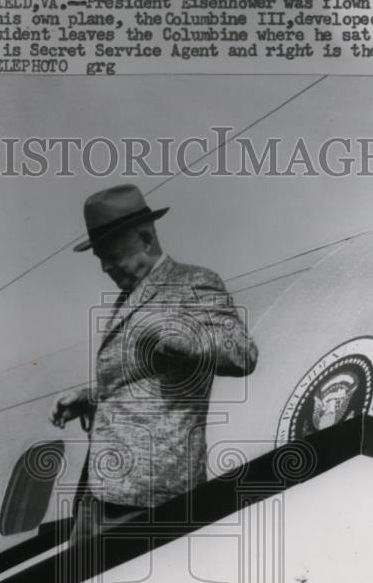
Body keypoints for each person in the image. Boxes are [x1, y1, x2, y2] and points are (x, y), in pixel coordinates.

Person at [50, 184, 258, 543]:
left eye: (112, 255)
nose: (105, 267)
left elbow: (242, 352)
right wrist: (91, 396)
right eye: (100, 257)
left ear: (146, 238)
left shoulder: (193, 282)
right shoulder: (128, 297)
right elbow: (141, 380)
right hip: (101, 492)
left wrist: (185, 337)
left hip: (153, 496)